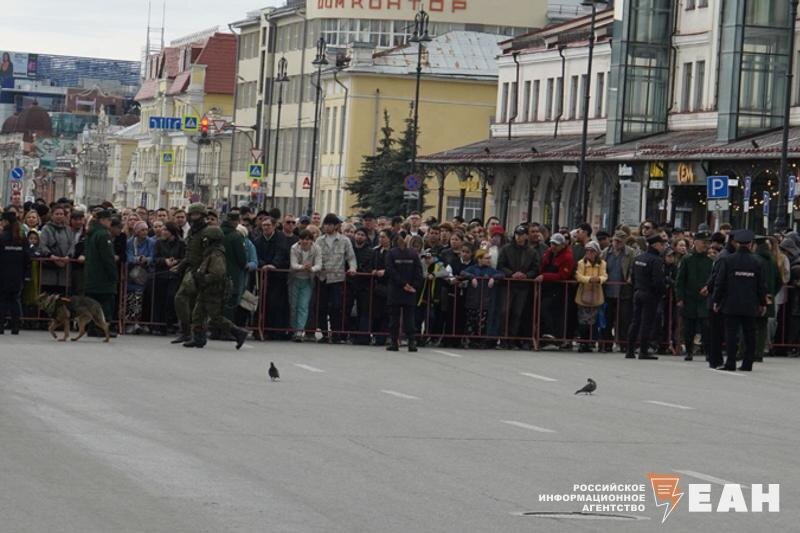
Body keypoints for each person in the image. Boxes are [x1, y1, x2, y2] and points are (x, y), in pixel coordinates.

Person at [182, 227, 249, 349]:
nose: (203, 241)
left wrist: (203, 278)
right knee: (198, 313)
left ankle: (238, 332)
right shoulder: (210, 252)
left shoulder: (216, 254)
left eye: (206, 239)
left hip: (213, 289)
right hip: (206, 288)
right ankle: (198, 338)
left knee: (215, 317)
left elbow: (217, 273)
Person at [712, 230, 768, 371]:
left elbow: (720, 283)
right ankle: (747, 363)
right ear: (750, 244)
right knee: (750, 334)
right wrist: (763, 303)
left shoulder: (728, 260)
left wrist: (716, 300)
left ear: (737, 243)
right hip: (750, 304)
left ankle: (730, 362)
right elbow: (761, 286)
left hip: (731, 304)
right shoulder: (757, 262)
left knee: (731, 334)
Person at [315, 213, 356, 343]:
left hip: (337, 278)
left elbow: (351, 257)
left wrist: (352, 268)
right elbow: (315, 256)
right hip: (322, 277)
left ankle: (336, 332)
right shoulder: (319, 241)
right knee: (321, 307)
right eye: (326, 224)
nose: (327, 227)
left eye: (330, 224)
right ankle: (324, 332)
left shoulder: (344, 240)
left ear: (336, 226)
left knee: (336, 306)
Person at [498, 225, 540, 349]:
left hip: (523, 286)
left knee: (517, 313)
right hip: (508, 284)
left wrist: (526, 275)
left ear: (526, 236)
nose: (519, 237)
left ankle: (511, 339)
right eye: (517, 234)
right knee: (505, 311)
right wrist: (511, 274)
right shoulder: (506, 249)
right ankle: (503, 338)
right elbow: (500, 265)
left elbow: (535, 268)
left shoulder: (532, 252)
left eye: (521, 234)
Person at [171, 203, 208, 344]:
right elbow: (189, 253)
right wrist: (180, 266)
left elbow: (210, 254)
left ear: (202, 216)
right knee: (183, 300)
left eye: (196, 214)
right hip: (190, 269)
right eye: (192, 215)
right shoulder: (193, 231)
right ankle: (187, 332)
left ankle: (197, 335)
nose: (194, 217)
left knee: (195, 304)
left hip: (201, 271)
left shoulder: (207, 232)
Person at [626, 234, 667, 360]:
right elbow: (658, 281)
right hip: (650, 294)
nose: (663, 247)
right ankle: (643, 351)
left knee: (635, 321)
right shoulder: (656, 260)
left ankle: (630, 350)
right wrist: (662, 291)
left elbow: (632, 277)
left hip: (638, 292)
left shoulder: (639, 258)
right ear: (655, 245)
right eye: (662, 244)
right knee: (646, 323)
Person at [675, 232, 712, 361]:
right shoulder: (687, 259)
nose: (706, 245)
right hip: (689, 298)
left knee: (706, 328)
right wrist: (679, 298)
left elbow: (713, 279)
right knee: (689, 328)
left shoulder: (710, 260)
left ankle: (708, 352)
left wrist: (708, 287)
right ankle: (689, 351)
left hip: (704, 299)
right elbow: (680, 280)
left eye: (707, 242)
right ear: (696, 242)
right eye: (703, 242)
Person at [83, 209, 118, 338]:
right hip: (103, 277)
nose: (110, 223)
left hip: (91, 275)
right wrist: (114, 274)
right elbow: (108, 258)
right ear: (102, 220)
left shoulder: (90, 233)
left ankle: (92, 328)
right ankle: (103, 328)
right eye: (109, 220)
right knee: (105, 305)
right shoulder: (103, 235)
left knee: (92, 305)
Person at [535, 232, 575, 347]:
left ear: (562, 245)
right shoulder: (548, 253)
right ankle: (544, 336)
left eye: (556, 245)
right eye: (552, 244)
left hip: (558, 288)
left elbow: (563, 275)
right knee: (541, 309)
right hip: (546, 287)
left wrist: (544, 276)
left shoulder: (567, 257)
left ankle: (552, 333)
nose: (553, 246)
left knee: (547, 309)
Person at [385, 234, 423, 352]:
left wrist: (403, 284)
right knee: (409, 318)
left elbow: (390, 270)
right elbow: (418, 271)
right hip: (410, 290)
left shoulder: (391, 253)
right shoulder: (413, 254)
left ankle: (394, 342)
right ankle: (412, 342)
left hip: (396, 289)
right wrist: (412, 285)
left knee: (394, 318)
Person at [255, 216, 291, 339]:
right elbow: (256, 255)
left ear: (274, 226)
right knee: (263, 303)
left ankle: (276, 331)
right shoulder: (259, 240)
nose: (266, 227)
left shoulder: (280, 238)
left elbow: (281, 253)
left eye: (268, 225)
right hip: (264, 275)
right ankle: (263, 329)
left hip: (278, 275)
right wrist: (263, 265)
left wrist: (273, 265)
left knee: (276, 303)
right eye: (264, 225)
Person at [461, 249, 504, 348]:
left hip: (484, 302)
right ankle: (471, 340)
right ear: (479, 259)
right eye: (486, 258)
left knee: (483, 322)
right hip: (473, 300)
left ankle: (480, 340)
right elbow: (463, 272)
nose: (489, 260)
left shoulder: (490, 270)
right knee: (471, 321)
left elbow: (501, 274)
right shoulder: (473, 268)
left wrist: (494, 278)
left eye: (489, 258)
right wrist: (472, 277)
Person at [289, 230, 323, 341]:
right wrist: (302, 267)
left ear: (311, 241)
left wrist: (311, 269)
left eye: (308, 239)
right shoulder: (294, 248)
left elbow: (319, 264)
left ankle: (299, 331)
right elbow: (293, 264)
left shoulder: (316, 248)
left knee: (303, 306)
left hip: (308, 280)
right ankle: (293, 330)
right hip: (294, 279)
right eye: (303, 239)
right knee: (293, 306)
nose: (305, 241)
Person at [153, 222, 186, 334]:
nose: (163, 232)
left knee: (171, 298)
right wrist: (164, 261)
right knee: (160, 300)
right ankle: (159, 325)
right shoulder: (159, 243)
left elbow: (185, 258)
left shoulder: (181, 243)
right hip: (161, 274)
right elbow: (155, 258)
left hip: (175, 275)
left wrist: (177, 262)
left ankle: (171, 323)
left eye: (165, 230)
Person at [0, 210, 29, 334]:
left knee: (2, 300)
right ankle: (16, 327)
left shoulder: (2, 237)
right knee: (15, 300)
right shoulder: (22, 238)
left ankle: (0, 326)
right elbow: (27, 257)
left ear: (5, 221)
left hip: (3, 273)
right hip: (18, 274)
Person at [574, 241, 607, 352]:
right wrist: (589, 279)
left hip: (596, 294)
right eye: (587, 250)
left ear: (596, 252)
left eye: (592, 251)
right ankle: (583, 342)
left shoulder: (602, 263)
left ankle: (590, 342)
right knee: (583, 320)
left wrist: (599, 279)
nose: (589, 253)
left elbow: (604, 275)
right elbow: (578, 276)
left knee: (593, 320)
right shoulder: (581, 263)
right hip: (584, 293)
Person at [125, 221, 155, 333]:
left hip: (146, 274)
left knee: (144, 299)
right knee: (132, 297)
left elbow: (153, 256)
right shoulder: (130, 242)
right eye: (142, 230)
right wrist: (136, 259)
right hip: (132, 274)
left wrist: (146, 259)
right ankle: (131, 322)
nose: (145, 232)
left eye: (146, 229)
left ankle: (141, 322)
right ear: (136, 231)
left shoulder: (151, 242)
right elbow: (128, 256)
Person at [39, 205, 74, 295]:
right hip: (49, 268)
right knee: (48, 296)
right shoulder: (46, 229)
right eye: (57, 214)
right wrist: (52, 257)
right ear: (52, 215)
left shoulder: (68, 229)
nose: (59, 216)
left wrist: (68, 256)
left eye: (61, 214)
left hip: (64, 269)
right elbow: (43, 245)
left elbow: (72, 245)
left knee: (62, 297)